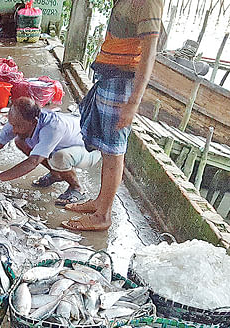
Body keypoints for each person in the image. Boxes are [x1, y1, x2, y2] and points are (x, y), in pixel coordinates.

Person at [61, 0, 163, 231]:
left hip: (122, 82)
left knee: (114, 151)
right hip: (109, 76)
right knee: (107, 151)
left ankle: (103, 216)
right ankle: (100, 203)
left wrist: (133, 102)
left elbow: (149, 54)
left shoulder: (148, 3)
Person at [0, 97, 101, 206]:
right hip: (63, 146)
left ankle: (77, 188)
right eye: (12, 124)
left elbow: (32, 162)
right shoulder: (19, 121)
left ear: (34, 121)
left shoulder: (53, 126)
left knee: (59, 158)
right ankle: (56, 173)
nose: (14, 129)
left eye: (17, 125)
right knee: (20, 141)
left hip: (90, 149)